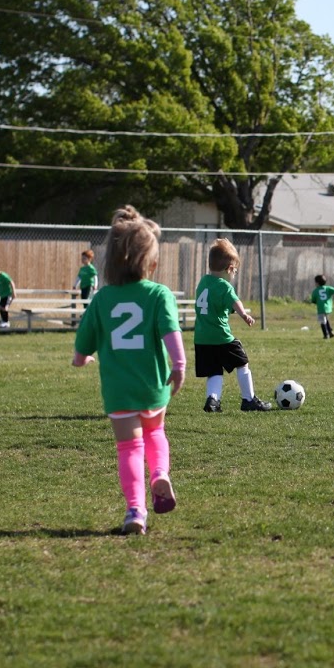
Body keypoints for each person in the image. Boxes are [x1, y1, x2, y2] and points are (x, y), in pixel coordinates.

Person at [71, 206, 186, 535]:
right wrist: (179, 365)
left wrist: (81, 360)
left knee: (129, 448)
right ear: (151, 262)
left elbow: (83, 344)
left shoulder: (102, 299)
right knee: (155, 433)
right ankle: (159, 473)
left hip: (119, 391)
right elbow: (171, 333)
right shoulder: (158, 294)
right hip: (153, 385)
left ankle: (135, 510)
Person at [192, 238, 272, 412]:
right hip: (221, 337)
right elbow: (235, 301)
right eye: (235, 271)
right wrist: (244, 315)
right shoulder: (225, 286)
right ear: (229, 269)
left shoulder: (203, 282)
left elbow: (210, 306)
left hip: (202, 339)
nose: (234, 275)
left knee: (214, 371)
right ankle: (249, 400)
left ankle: (212, 400)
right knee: (242, 363)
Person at [308, 274, 334, 339]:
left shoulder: (315, 291)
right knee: (325, 319)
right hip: (328, 307)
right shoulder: (328, 288)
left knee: (322, 321)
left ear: (317, 283)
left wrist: (315, 302)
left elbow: (313, 300)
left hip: (321, 308)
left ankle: (326, 335)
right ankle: (330, 331)